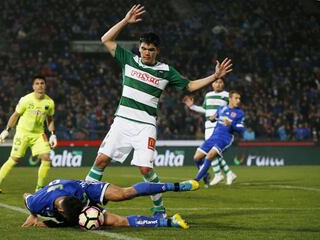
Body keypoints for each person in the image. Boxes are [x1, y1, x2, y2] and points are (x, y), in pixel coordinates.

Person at [85, 4, 232, 218]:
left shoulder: (166, 71)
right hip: (122, 122)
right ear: (139, 48)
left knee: (145, 169)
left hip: (145, 126)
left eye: (151, 50)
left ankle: (159, 209)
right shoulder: (129, 60)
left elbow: (189, 86)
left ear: (157, 51)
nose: (146, 52)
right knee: (100, 161)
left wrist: (214, 76)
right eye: (143, 48)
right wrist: (126, 20)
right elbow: (106, 39)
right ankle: (86, 200)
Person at [21, 178, 200, 229]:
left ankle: (176, 186)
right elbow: (25, 195)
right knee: (117, 221)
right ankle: (170, 222)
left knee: (124, 193)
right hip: (61, 195)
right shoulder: (36, 202)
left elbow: (67, 217)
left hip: (85, 190)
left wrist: (49, 223)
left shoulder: (74, 192)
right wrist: (33, 215)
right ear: (59, 209)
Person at [0, 75, 57, 193]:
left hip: (38, 134)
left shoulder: (49, 102)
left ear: (45, 85)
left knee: (46, 158)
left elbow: (49, 118)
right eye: (37, 83)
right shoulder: (26, 99)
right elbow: (15, 115)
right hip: (22, 133)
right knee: (14, 159)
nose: (40, 85)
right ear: (33, 86)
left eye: (42, 83)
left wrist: (52, 134)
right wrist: (7, 130)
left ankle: (39, 188)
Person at [183, 78, 237, 186]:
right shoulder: (208, 95)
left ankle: (219, 175)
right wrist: (192, 107)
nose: (218, 84)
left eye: (221, 82)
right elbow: (205, 110)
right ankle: (227, 173)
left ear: (224, 84)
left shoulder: (227, 95)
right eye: (216, 82)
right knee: (212, 154)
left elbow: (232, 110)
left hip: (219, 128)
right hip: (208, 127)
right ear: (212, 84)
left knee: (211, 153)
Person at [192, 90, 245, 183]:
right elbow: (214, 117)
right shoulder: (221, 108)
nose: (238, 100)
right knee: (196, 157)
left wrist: (231, 124)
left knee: (210, 156)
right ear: (230, 99)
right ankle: (205, 174)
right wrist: (212, 118)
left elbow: (241, 129)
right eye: (236, 98)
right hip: (214, 136)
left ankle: (196, 180)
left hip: (225, 138)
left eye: (239, 98)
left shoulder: (240, 113)